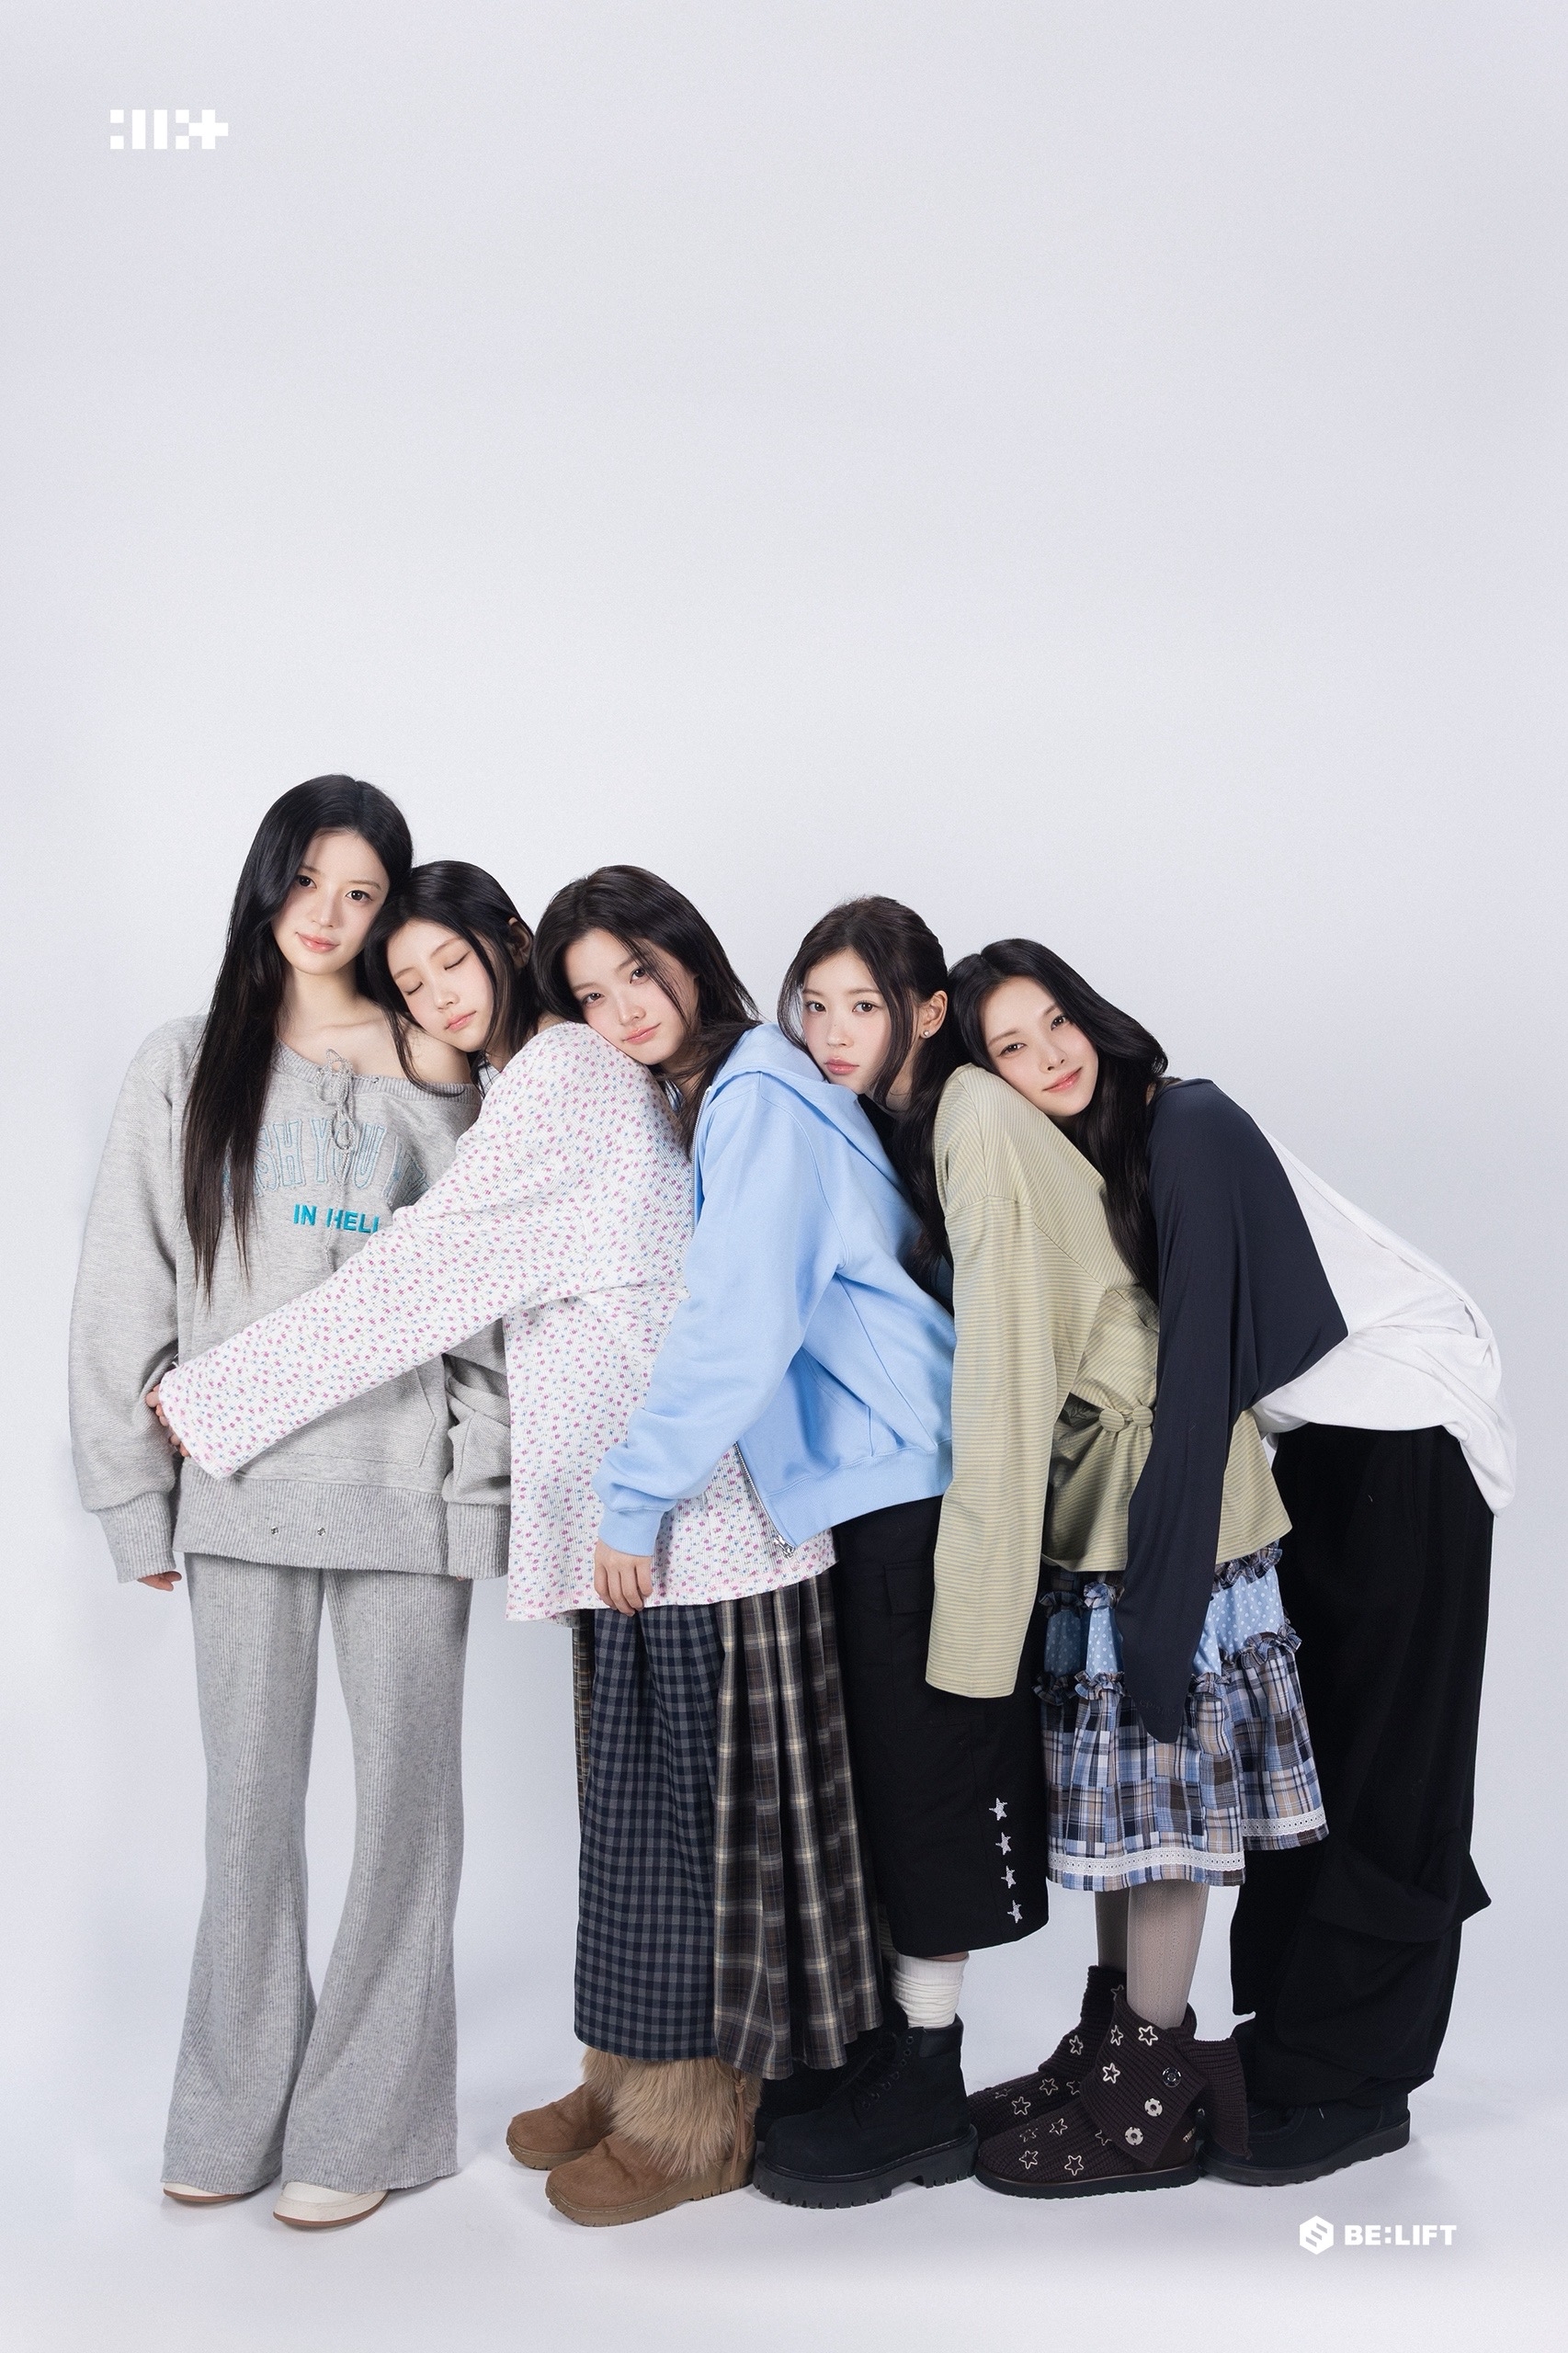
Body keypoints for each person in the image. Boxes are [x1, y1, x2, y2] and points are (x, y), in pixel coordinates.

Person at [153, 861, 882, 2230]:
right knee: (632, 1827)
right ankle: (625, 2081)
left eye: (452, 961)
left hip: (690, 1526)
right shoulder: (556, 1080)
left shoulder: (561, 1080)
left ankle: (692, 2127)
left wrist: (211, 1401)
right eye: (409, 982)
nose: (438, 994)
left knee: (687, 1842)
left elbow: (415, 1282)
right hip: (635, 1528)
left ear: (509, 941)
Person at [952, 938, 1512, 2189]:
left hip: (1407, 1430)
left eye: (1056, 1022)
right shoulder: (1105, 1154)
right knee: (1322, 1768)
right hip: (1318, 1447)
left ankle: (1356, 2084)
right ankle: (1286, 2046)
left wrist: (1156, 1626)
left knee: (1389, 1771)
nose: (1049, 1057)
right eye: (1011, 1048)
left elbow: (1195, 1386)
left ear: (1093, 1015)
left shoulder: (1185, 1126)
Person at [70, 780, 510, 2233]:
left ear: (394, 912)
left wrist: (476, 1494)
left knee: (405, 1824)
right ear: (266, 883)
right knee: (247, 1819)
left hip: (403, 1498)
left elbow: (488, 1308)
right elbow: (124, 1285)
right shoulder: (187, 1060)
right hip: (236, 1494)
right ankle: (229, 2110)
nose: (326, 916)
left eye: (362, 893)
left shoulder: (441, 1066)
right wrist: (134, 1502)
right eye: (306, 881)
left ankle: (364, 2123)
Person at [565, 883, 1031, 2211]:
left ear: (690, 957)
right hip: (869, 1490)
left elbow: (738, 1320)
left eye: (638, 972)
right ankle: (879, 2064)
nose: (622, 1012)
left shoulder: (758, 1098)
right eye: (590, 995)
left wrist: (631, 1498)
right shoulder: (762, 1090)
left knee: (920, 1793)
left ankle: (924, 2094)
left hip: (904, 1488)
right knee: (879, 1792)